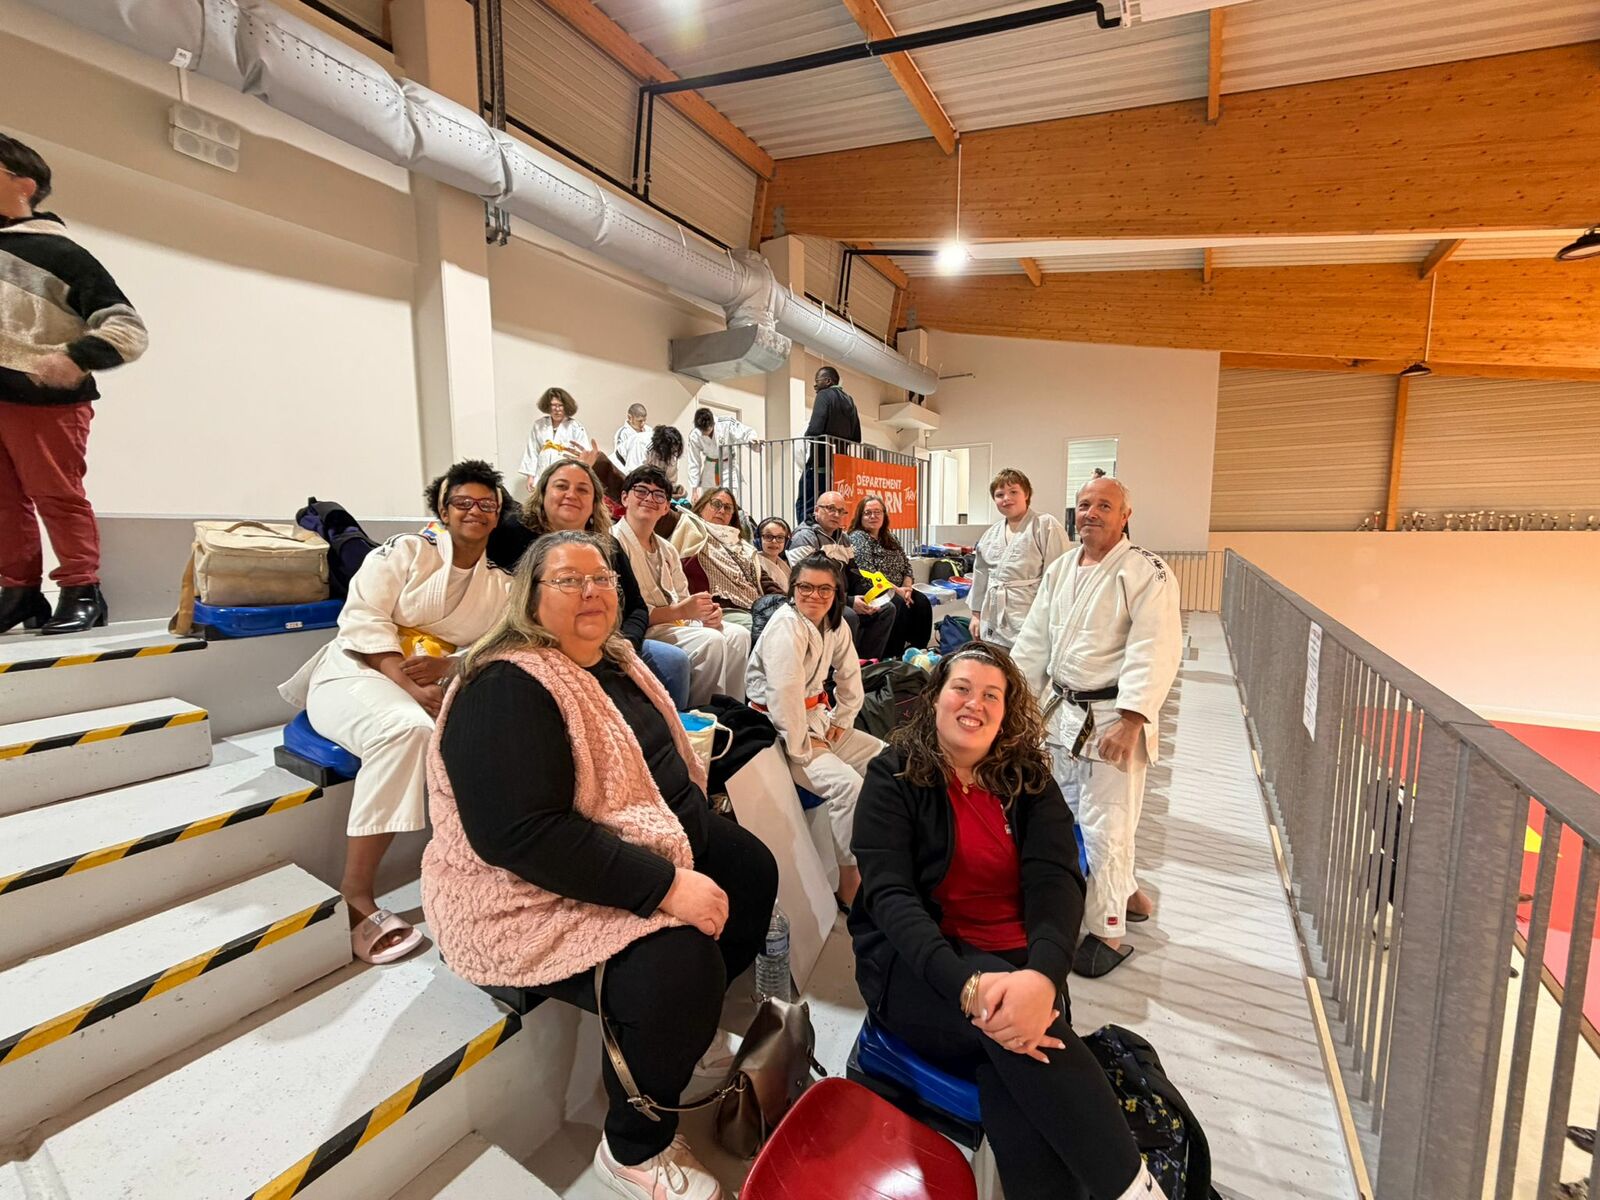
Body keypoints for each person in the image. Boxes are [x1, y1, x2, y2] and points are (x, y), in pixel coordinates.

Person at [427, 530, 778, 1200]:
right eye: (568, 580)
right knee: (680, 969)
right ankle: (633, 1148)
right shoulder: (505, 686)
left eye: (602, 579)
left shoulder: (614, 659)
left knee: (752, 871)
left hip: (643, 838)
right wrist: (666, 885)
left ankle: (681, 1039)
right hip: (527, 890)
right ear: (530, 597)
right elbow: (520, 837)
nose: (591, 591)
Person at [849, 644, 1166, 1200]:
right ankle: (1137, 1191)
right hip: (922, 969)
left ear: (1006, 712)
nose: (974, 704)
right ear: (936, 698)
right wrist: (967, 986)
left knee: (1015, 1059)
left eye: (991, 695)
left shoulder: (1026, 779)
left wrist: (1043, 976)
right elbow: (892, 899)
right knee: (1029, 1043)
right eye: (961, 688)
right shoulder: (893, 775)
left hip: (1021, 966)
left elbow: (1056, 880)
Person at [279, 460, 513, 964]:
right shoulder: (404, 552)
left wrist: (452, 664)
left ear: (498, 515)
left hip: (435, 679)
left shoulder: (500, 584)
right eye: (462, 502)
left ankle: (488, 868)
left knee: (503, 724)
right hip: (360, 670)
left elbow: (500, 644)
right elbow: (362, 618)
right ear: (443, 509)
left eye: (486, 504)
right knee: (406, 730)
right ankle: (356, 895)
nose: (474, 511)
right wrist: (405, 682)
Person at [1010, 477, 1182, 978]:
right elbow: (1034, 642)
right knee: (1060, 818)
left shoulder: (1145, 571)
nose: (1091, 513)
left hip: (1113, 718)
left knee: (1106, 826)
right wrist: (1014, 702)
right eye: (1084, 504)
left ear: (1125, 515)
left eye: (1104, 505)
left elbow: (1155, 647)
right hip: (1062, 713)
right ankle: (1127, 896)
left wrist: (1131, 719)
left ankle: (1108, 930)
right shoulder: (1063, 567)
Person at [0, 134, 149, 635]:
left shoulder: (60, 253)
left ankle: (82, 590)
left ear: (24, 185)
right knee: (3, 503)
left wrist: (75, 357)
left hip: (44, 402)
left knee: (57, 496)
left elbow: (127, 327)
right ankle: (19, 593)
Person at [492, 457, 693, 711]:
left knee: (673, 662)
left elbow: (637, 607)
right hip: (538, 642)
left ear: (594, 502)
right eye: (561, 486)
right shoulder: (512, 533)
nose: (571, 495)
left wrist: (626, 643)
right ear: (542, 493)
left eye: (582, 489)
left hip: (606, 641)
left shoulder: (609, 546)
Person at [746, 555, 883, 906]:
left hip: (818, 719)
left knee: (886, 759)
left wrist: (842, 720)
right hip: (780, 730)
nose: (814, 595)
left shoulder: (834, 624)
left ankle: (887, 850)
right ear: (793, 589)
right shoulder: (786, 626)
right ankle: (849, 883)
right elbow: (783, 695)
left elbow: (850, 676)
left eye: (825, 589)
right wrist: (802, 748)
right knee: (847, 787)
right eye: (805, 587)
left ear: (837, 593)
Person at [613, 465, 750, 707]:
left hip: (674, 622)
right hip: (641, 627)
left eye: (658, 495)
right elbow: (626, 612)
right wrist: (684, 611)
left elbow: (682, 597)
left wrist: (705, 615)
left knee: (739, 635)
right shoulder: (613, 542)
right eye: (641, 491)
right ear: (625, 497)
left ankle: (730, 710)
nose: (649, 499)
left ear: (666, 507)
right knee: (711, 641)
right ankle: (700, 715)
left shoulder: (667, 549)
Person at [969, 468, 1070, 649]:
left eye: (1013, 492)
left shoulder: (1045, 525)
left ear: (1026, 494)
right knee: (996, 663)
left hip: (1030, 617)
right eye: (1000, 495)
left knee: (1025, 664)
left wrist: (1054, 621)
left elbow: (1059, 577)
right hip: (993, 619)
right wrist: (976, 615)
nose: (1006, 498)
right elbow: (981, 577)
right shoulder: (990, 534)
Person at [787, 489, 894, 661]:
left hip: (840, 597)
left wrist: (867, 598)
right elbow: (810, 583)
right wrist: (850, 601)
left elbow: (853, 573)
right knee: (848, 615)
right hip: (815, 598)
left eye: (841, 511)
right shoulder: (804, 537)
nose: (836, 514)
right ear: (816, 510)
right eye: (831, 508)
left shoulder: (843, 538)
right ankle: (839, 670)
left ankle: (866, 664)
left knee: (886, 608)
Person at [672, 488, 775, 629]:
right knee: (767, 629)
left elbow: (764, 581)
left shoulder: (741, 545)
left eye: (727, 508)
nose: (721, 511)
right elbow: (660, 514)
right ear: (701, 507)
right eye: (716, 504)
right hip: (720, 610)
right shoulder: (689, 525)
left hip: (755, 608)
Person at [849, 493, 933, 658]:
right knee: (898, 603)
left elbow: (906, 566)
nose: (873, 516)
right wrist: (897, 591)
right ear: (860, 516)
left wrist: (907, 588)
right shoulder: (858, 537)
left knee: (922, 602)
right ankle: (893, 655)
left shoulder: (890, 537)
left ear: (884, 515)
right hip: (875, 589)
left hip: (900, 588)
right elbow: (869, 572)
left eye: (877, 512)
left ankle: (917, 653)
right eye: (868, 513)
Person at [795, 366, 860, 525]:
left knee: (806, 503)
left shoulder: (824, 395)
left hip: (819, 463)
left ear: (828, 381)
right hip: (839, 467)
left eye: (817, 381)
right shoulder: (850, 400)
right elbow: (856, 437)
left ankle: (805, 533)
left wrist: (807, 435)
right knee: (832, 508)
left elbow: (815, 429)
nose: (815, 386)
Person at [519, 386, 590, 487]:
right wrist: (530, 476)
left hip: (566, 473)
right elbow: (532, 451)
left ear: (566, 406)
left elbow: (584, 454)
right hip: (542, 473)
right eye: (553, 405)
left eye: (560, 405)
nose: (557, 409)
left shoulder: (576, 427)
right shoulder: (539, 425)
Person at [686, 405, 761, 500]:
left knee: (728, 499)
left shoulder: (726, 423)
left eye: (707, 430)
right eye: (702, 431)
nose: (705, 433)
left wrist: (752, 439)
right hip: (709, 468)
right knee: (708, 501)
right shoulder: (694, 435)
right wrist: (694, 490)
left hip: (727, 467)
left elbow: (745, 432)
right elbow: (694, 462)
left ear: (713, 423)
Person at [644, 424, 687, 499]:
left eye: (675, 451)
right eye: (671, 450)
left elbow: (670, 480)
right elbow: (638, 478)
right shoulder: (644, 448)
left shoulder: (673, 454)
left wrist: (675, 489)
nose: (673, 453)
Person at [754, 517, 793, 594]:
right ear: (758, 540)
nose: (774, 541)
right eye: (768, 536)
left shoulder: (787, 564)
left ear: (786, 542)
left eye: (780, 537)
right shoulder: (754, 564)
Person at [612, 403, 652, 473]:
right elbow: (621, 458)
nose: (643, 424)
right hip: (628, 471)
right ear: (630, 418)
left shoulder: (649, 430)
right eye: (640, 421)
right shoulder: (623, 434)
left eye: (644, 420)